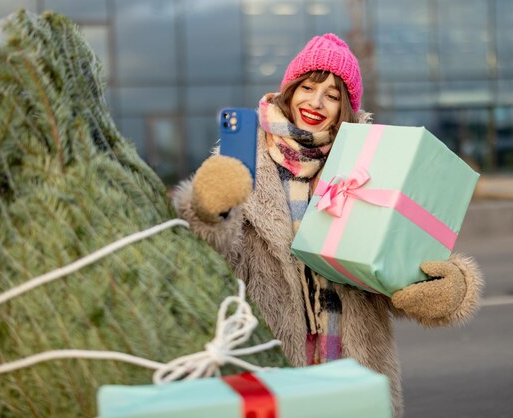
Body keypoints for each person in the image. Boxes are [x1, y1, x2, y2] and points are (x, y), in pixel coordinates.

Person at [173, 33, 483, 417]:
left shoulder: (372, 166)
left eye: (333, 95)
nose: (316, 103)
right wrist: (208, 211)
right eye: (308, 87)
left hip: (355, 372)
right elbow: (208, 260)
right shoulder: (241, 166)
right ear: (290, 90)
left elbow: (397, 261)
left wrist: (447, 289)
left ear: (346, 108)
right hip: (271, 370)